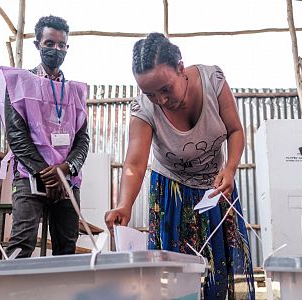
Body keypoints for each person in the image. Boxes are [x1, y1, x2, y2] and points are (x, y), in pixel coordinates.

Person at [104, 33, 255, 299]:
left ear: (181, 68)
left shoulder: (213, 81)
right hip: (171, 194)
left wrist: (230, 168)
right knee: (175, 278)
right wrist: (124, 204)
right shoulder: (144, 110)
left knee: (223, 270)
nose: (161, 100)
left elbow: (235, 130)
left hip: (216, 189)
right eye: (150, 93)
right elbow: (135, 164)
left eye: (165, 89)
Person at [0, 15, 89, 258]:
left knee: (67, 246)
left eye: (61, 45)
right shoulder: (20, 83)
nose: (55, 49)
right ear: (37, 44)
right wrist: (45, 173)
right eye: (49, 43)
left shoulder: (75, 91)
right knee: (22, 242)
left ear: (67, 48)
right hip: (30, 174)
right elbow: (16, 135)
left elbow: (83, 139)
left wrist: (68, 168)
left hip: (66, 177)